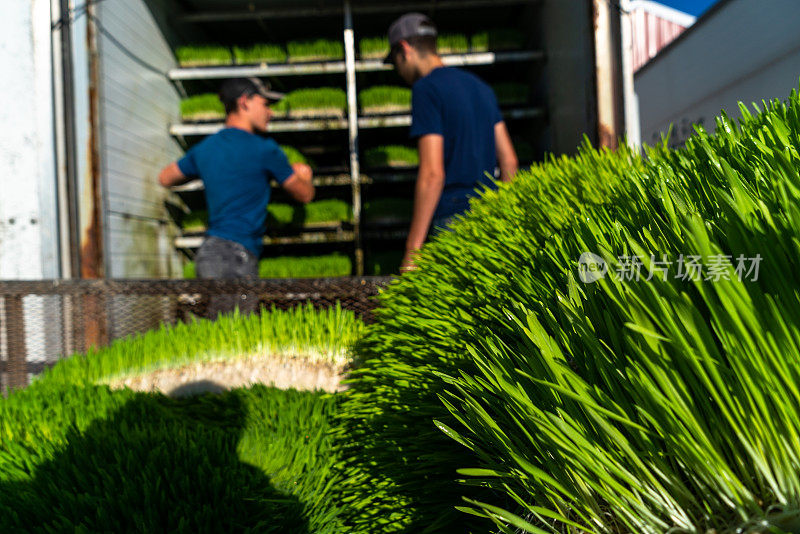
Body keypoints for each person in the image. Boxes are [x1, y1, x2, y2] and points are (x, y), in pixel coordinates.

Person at [158, 78, 314, 314]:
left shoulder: (206, 148)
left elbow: (166, 178)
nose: (270, 113)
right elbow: (304, 195)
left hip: (209, 254)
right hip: (237, 257)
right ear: (244, 102)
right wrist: (305, 176)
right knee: (235, 334)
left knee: (219, 330)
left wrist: (207, 170)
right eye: (265, 104)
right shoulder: (266, 150)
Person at [385, 13, 519, 271]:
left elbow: (433, 174)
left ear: (404, 50)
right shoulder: (481, 88)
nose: (398, 71)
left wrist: (412, 251)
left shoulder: (426, 90)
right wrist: (502, 215)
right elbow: (510, 161)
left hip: (452, 216)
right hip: (489, 211)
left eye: (395, 63)